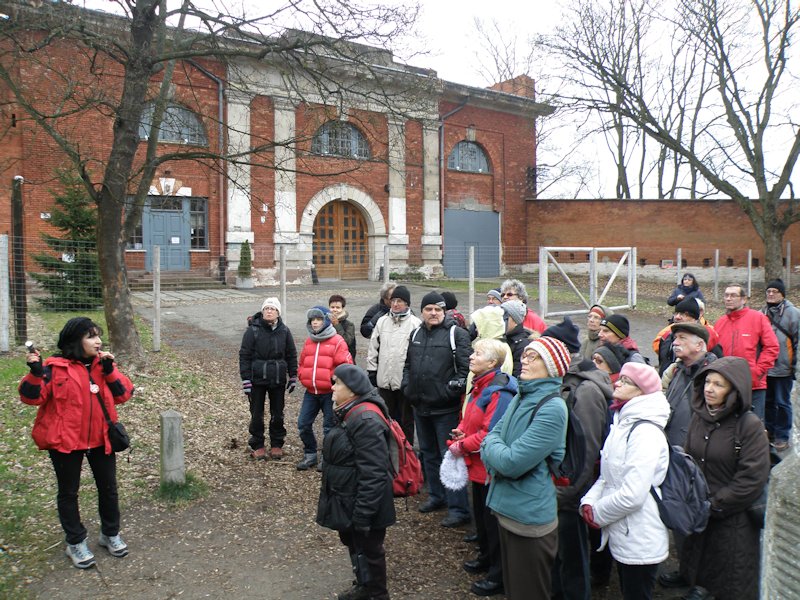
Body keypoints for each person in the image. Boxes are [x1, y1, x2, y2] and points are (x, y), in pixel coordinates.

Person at [19, 317, 135, 569]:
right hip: (65, 441)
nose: (98, 340)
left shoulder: (102, 365)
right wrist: (36, 374)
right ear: (75, 341)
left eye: (98, 335)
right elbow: (31, 398)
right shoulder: (53, 368)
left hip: (101, 438)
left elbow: (124, 394)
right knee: (69, 492)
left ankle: (110, 534)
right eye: (91, 336)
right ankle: (75, 541)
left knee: (109, 488)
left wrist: (110, 370)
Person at [480, 336, 571, 599]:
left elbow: (510, 463)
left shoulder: (552, 408)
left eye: (534, 357)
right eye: (525, 355)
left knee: (528, 593)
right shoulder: (523, 393)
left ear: (552, 366)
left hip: (528, 521)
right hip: (507, 509)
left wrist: (492, 448)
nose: (525, 360)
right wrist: (494, 446)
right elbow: (492, 436)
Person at [679, 357, 770, 600]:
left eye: (718, 384)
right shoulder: (699, 417)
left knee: (731, 577)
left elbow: (752, 478)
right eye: (708, 381)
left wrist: (716, 504)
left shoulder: (748, 425)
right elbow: (688, 456)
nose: (709, 388)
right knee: (700, 562)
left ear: (734, 389)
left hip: (733, 517)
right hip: (701, 509)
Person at [580, 362, 670, 600]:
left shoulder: (645, 432)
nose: (617, 383)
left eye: (626, 381)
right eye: (620, 378)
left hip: (639, 533)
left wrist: (597, 514)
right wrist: (589, 502)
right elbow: (608, 475)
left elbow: (633, 494)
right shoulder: (623, 420)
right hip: (623, 526)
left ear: (642, 391)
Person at [544, 318, 611, 600]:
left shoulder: (584, 391)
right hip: (560, 487)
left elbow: (586, 451)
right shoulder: (564, 382)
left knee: (572, 559)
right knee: (559, 557)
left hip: (571, 492)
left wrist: (566, 494)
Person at [317, 364, 395, 600]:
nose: (332, 387)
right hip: (348, 498)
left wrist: (363, 513)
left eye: (337, 383)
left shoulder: (366, 419)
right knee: (357, 546)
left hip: (364, 503)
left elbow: (374, 473)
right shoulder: (349, 411)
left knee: (370, 550)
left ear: (352, 390)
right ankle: (364, 587)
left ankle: (377, 594)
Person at [447, 339, 518, 597]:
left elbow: (491, 433)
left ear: (493, 362)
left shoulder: (499, 392)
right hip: (476, 466)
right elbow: (473, 422)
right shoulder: (479, 386)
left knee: (493, 523)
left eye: (478, 354)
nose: (471, 357)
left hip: (489, 468)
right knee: (482, 518)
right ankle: (486, 559)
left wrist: (462, 445)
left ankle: (498, 575)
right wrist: (461, 433)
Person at [402, 291, 472, 528]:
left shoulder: (457, 335)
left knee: (450, 457)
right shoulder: (416, 334)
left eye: (438, 309)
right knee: (429, 454)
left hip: (445, 409)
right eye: (429, 309)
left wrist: (448, 392)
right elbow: (408, 364)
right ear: (422, 312)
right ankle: (436, 496)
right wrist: (407, 387)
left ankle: (458, 508)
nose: (433, 313)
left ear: (445, 312)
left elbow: (466, 371)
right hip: (420, 406)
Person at [656, 322, 717, 590]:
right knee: (681, 516)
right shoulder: (679, 370)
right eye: (675, 337)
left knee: (702, 523)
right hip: (676, 456)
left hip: (701, 461)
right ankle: (685, 572)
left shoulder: (713, 375)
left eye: (682, 338)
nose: (675, 342)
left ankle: (702, 584)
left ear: (700, 345)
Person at [239, 297, 298, 461]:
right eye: (266, 308)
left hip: (277, 379)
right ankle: (257, 444)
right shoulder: (253, 331)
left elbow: (291, 354)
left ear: (278, 312)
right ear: (262, 311)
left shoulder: (285, 331)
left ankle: (277, 443)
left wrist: (293, 375)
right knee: (256, 414)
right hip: (257, 379)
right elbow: (244, 355)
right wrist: (246, 380)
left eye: (272, 309)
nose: (269, 311)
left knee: (277, 413)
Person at [296, 306, 353, 471]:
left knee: (329, 427)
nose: (315, 323)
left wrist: (335, 383)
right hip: (311, 392)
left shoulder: (337, 341)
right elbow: (302, 363)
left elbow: (347, 366)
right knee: (303, 424)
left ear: (326, 321)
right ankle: (310, 454)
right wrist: (302, 376)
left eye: (319, 319)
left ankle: (327, 458)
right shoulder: (309, 341)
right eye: (313, 320)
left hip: (330, 393)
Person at [714, 283, 779, 420]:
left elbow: (772, 347)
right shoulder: (720, 323)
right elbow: (714, 351)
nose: (728, 299)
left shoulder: (758, 318)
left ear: (744, 299)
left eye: (733, 295)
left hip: (753, 386)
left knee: (752, 428)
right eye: (726, 295)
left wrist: (757, 372)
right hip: (727, 385)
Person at [366, 285, 421, 444]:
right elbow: (373, 347)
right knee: (385, 418)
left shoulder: (415, 324)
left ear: (407, 304)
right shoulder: (382, 322)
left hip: (404, 382)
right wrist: (372, 370)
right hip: (384, 380)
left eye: (400, 301)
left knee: (406, 421)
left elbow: (417, 354)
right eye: (394, 300)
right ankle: (387, 450)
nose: (396, 304)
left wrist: (412, 378)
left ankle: (407, 453)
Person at [760, 278, 799, 451]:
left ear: (782, 294)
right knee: (767, 401)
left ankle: (782, 435)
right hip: (766, 367)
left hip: (784, 367)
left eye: (774, 291)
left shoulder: (794, 314)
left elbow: (798, 342)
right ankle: (770, 431)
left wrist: (796, 366)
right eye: (768, 291)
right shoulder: (761, 313)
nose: (771, 294)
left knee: (783, 402)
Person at [653, 297, 721, 376]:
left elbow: (718, 366)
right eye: (676, 313)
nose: (677, 317)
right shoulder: (666, 336)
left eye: (683, 314)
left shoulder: (708, 338)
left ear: (695, 318)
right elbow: (662, 363)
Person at [501, 300, 534, 378]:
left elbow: (517, 376)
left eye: (505, 318)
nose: (501, 321)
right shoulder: (501, 337)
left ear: (516, 321)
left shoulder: (522, 345)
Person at [329, 294, 357, 362]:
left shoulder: (349, 325)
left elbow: (347, 341)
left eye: (338, 307)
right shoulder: (325, 322)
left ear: (342, 309)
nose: (335, 310)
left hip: (344, 359)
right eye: (332, 307)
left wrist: (337, 325)